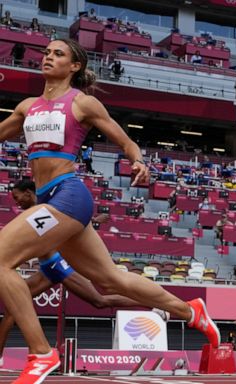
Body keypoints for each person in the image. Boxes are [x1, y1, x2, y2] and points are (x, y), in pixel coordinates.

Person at [0, 38, 220, 383]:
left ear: (74, 67)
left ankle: (41, 354)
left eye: (58, 53)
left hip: (68, 195)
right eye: (46, 51)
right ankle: (189, 310)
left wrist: (138, 160)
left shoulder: (82, 103)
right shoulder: (28, 106)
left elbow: (124, 139)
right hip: (50, 201)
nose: (48, 56)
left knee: (0, 258)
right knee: (110, 279)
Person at [0, 179, 165, 366]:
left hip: (59, 264)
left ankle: (154, 304)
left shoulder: (44, 207)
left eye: (17, 197)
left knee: (99, 301)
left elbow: (69, 226)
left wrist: (92, 223)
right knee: (12, 309)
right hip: (47, 267)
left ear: (29, 193)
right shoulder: (35, 212)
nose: (16, 201)